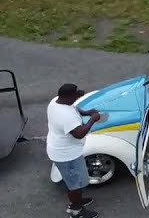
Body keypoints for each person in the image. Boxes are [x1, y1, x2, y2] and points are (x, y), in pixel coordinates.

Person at [47, 83, 103, 218]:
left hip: (68, 152)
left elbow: (74, 108)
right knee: (75, 183)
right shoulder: (65, 116)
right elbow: (79, 133)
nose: (76, 99)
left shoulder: (56, 101)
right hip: (66, 155)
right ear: (68, 96)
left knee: (77, 181)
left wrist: (86, 112)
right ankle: (76, 210)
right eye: (75, 96)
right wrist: (92, 119)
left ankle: (76, 199)